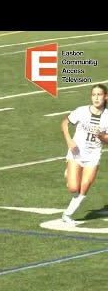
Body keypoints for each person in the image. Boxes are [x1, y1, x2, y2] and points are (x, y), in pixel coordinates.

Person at [60, 84, 108, 224]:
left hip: (94, 154)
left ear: (105, 97)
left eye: (99, 94)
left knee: (85, 185)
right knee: (74, 187)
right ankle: (69, 172)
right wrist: (69, 140)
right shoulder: (81, 111)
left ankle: (67, 215)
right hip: (77, 152)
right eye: (94, 95)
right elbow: (64, 123)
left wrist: (102, 137)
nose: (96, 97)